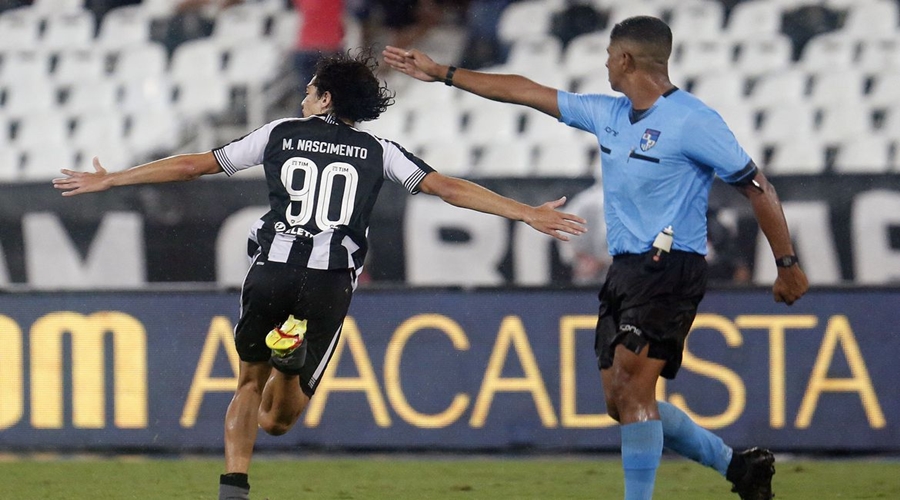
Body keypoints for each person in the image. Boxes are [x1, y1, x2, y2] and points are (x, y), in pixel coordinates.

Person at [53, 51, 586, 500]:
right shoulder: (381, 151)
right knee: (280, 420)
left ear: (326, 99)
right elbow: (447, 188)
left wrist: (115, 178)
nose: (304, 97)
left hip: (272, 269)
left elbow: (193, 165)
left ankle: (233, 486)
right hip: (329, 281)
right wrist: (525, 212)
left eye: (311, 90)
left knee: (246, 385)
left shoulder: (280, 134)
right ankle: (291, 362)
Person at [384, 15, 809, 500]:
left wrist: (787, 263)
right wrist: (444, 73)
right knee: (620, 400)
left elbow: (757, 186)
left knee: (633, 390)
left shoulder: (694, 120)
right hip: (626, 270)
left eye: (609, 55)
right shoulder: (608, 113)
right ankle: (737, 467)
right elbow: (524, 91)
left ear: (625, 58)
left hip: (671, 267)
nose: (606, 63)